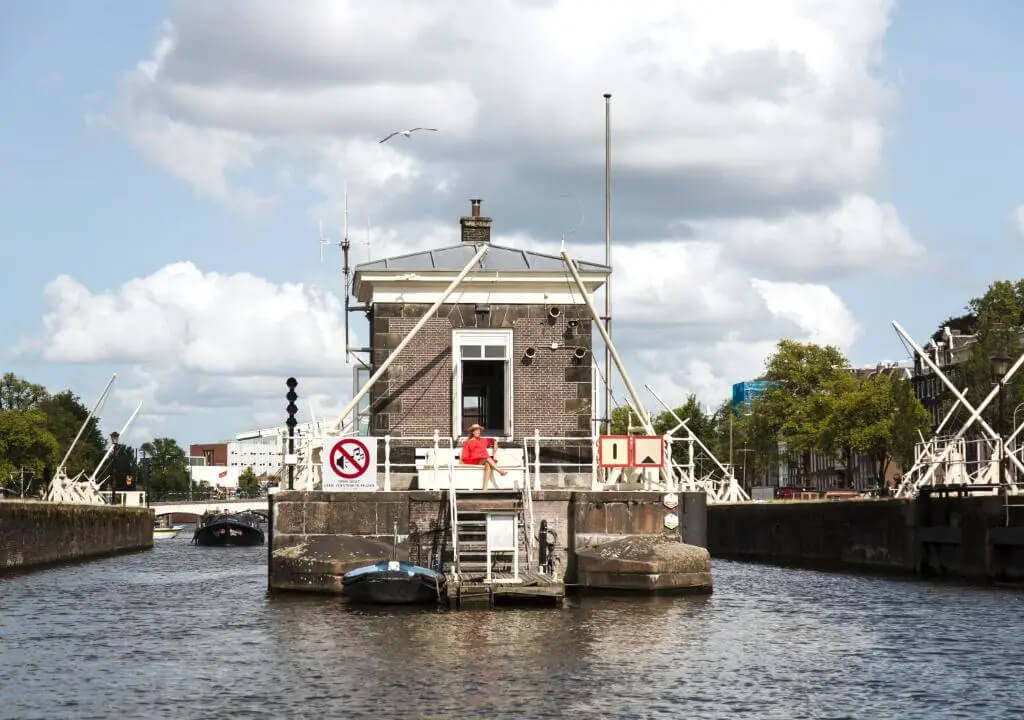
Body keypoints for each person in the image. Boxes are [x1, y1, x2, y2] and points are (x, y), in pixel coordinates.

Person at [461, 423, 507, 490]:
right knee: (486, 458)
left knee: (487, 464)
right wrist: (462, 462)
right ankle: (499, 471)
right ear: (473, 432)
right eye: (477, 430)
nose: (478, 432)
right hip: (474, 460)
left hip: (484, 459)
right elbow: (465, 454)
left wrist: (495, 442)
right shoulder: (468, 442)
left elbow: (492, 440)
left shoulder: (483, 440)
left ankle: (485, 488)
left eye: (479, 430)